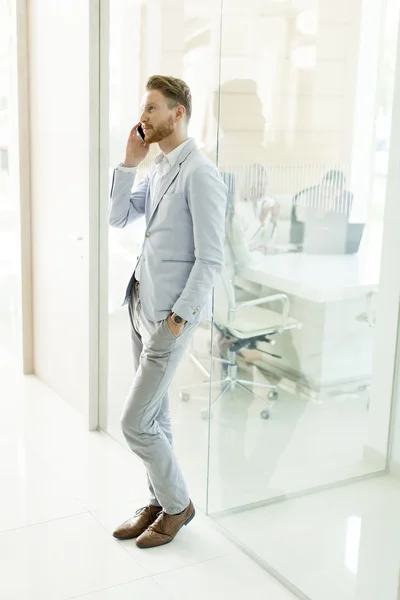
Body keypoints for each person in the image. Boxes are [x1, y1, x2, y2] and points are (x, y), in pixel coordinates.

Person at [108, 75, 227, 549]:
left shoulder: (200, 173)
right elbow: (119, 217)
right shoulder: (158, 169)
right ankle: (159, 499)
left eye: (153, 108)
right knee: (155, 418)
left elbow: (211, 258)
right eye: (144, 109)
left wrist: (179, 318)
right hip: (142, 304)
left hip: (168, 318)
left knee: (134, 422)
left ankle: (177, 506)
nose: (144, 118)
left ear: (178, 113)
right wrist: (128, 164)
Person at [290, 170, 353, 245]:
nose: (334, 192)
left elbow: (344, 226)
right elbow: (299, 228)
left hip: (335, 245)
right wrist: (319, 214)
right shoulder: (305, 196)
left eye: (339, 189)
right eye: (329, 188)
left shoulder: (347, 198)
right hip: (305, 243)